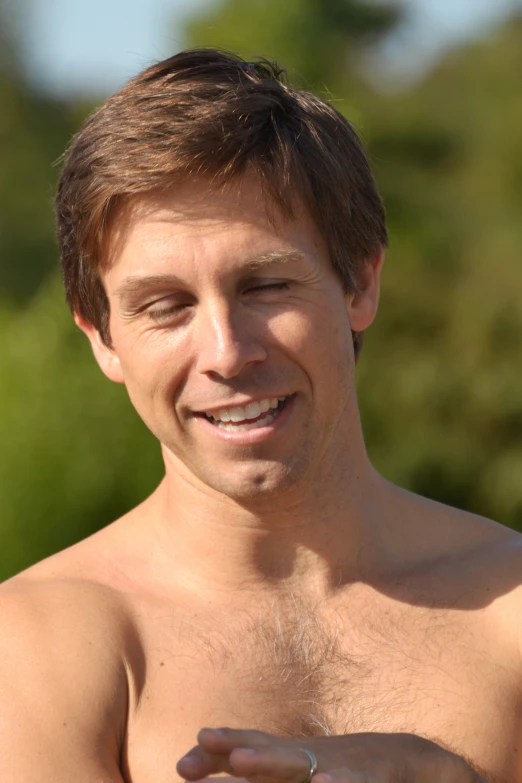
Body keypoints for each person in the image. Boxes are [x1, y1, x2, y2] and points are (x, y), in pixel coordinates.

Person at [0, 48, 519, 783]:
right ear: (102, 337)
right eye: (166, 306)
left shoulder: (512, 609)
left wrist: (443, 774)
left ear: (360, 281)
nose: (226, 352)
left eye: (267, 284)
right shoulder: (39, 646)